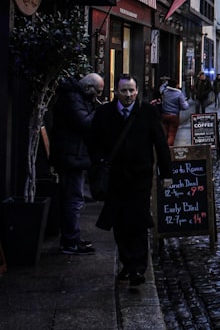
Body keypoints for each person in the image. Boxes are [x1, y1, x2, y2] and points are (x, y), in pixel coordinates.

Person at [88, 74, 172, 287]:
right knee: (120, 223)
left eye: (131, 90)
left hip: (140, 177)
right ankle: (127, 261)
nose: (128, 95)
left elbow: (160, 144)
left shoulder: (147, 112)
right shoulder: (104, 113)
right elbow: (93, 142)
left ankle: (138, 267)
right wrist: (98, 164)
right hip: (115, 178)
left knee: (138, 222)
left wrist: (167, 174)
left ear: (137, 91)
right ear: (117, 92)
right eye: (124, 91)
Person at [49, 72, 104, 255]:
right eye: (97, 92)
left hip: (73, 155)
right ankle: (71, 241)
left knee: (74, 198)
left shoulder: (75, 96)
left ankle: (72, 239)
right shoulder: (72, 98)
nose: (98, 96)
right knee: (74, 199)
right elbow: (84, 123)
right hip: (71, 157)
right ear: (88, 88)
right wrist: (99, 111)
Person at [157, 77, 189, 147]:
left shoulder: (164, 91)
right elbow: (185, 107)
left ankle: (162, 147)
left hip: (164, 115)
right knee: (172, 134)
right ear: (176, 85)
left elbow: (161, 87)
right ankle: (168, 149)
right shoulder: (179, 94)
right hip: (174, 116)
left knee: (164, 133)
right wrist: (185, 101)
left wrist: (166, 83)